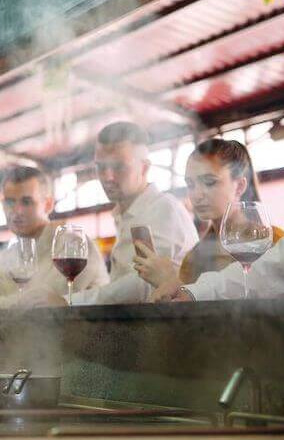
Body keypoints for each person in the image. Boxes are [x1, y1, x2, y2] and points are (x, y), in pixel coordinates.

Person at [44, 122, 198, 306]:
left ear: (144, 168)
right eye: (101, 167)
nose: (107, 176)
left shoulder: (162, 209)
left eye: (119, 167)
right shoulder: (126, 215)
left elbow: (142, 285)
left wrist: (68, 302)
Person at [133, 139, 284, 301]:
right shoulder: (194, 257)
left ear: (240, 186)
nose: (197, 195)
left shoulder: (273, 242)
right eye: (190, 185)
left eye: (210, 182)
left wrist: (170, 280)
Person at [0, 166, 109, 310]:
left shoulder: (72, 245)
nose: (16, 211)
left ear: (47, 204)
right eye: (10, 202)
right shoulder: (7, 256)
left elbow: (38, 301)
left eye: (26, 202)